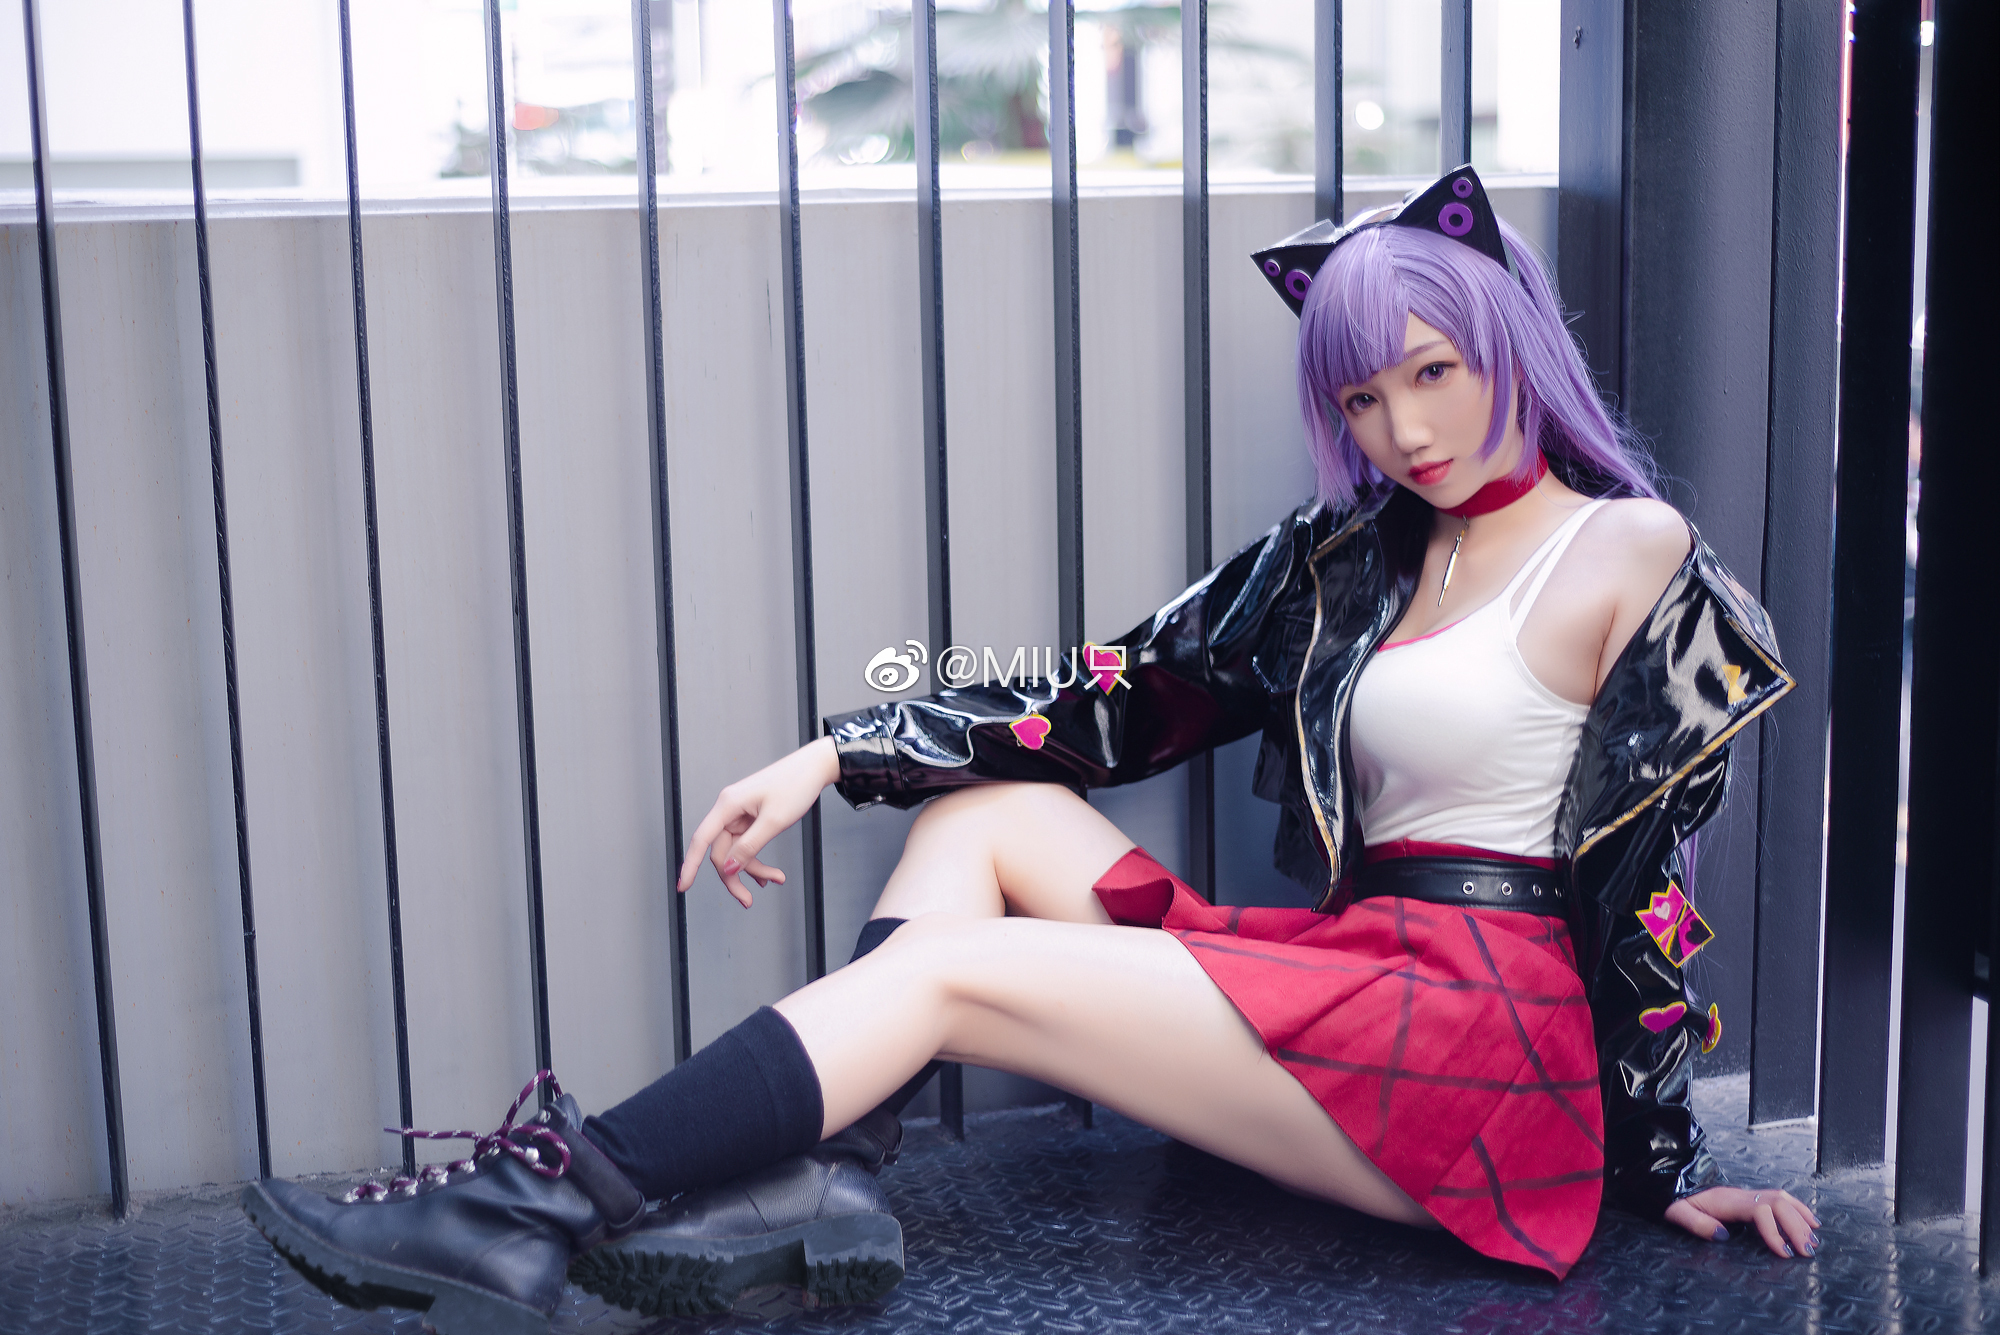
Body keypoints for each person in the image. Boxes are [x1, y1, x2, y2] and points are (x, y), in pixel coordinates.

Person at [242, 166, 1822, 1334]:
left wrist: (1665, 1153)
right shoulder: (1349, 561)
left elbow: (1651, 884)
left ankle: (531, 1202)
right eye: (1364, 395)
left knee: (944, 974)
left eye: (1436, 373)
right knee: (987, 820)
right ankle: (826, 1186)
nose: (1406, 430)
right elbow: (1112, 694)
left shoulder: (1625, 549)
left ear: (1508, 344)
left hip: (1483, 1048)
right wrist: (839, 754)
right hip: (1364, 973)